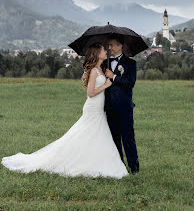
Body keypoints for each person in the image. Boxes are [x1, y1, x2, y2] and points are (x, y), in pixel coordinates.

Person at [1, 43, 128, 179]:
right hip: (93, 108)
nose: (106, 52)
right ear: (97, 53)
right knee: (85, 134)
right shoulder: (93, 71)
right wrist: (106, 85)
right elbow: (90, 93)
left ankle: (96, 162)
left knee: (94, 135)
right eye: (103, 50)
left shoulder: (100, 69)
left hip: (98, 108)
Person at [103, 34, 139, 174]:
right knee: (114, 138)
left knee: (128, 138)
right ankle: (119, 165)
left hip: (124, 108)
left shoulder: (131, 64)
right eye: (108, 45)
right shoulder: (104, 64)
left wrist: (115, 76)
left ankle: (134, 166)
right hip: (109, 107)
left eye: (112, 45)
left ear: (120, 46)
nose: (109, 48)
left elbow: (130, 83)